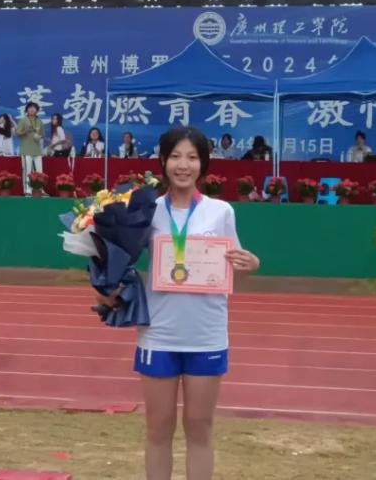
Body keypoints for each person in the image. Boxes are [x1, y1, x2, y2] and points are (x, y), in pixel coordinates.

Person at [97, 127, 259, 480]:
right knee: (158, 429)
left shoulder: (221, 212)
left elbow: (234, 266)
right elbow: (118, 262)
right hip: (159, 334)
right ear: (163, 161)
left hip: (206, 335)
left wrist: (251, 264)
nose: (183, 165)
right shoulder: (145, 210)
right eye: (175, 156)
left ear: (203, 164)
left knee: (200, 428)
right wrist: (107, 282)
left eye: (192, 157)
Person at [16, 102, 44, 194]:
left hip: (37, 150)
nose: (32, 109)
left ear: (37, 110)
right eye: (30, 108)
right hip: (26, 150)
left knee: (39, 171)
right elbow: (18, 133)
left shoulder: (39, 121)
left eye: (34, 108)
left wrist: (39, 136)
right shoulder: (23, 120)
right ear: (27, 110)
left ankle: (40, 189)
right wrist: (26, 131)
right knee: (27, 171)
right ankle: (27, 189)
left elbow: (42, 134)